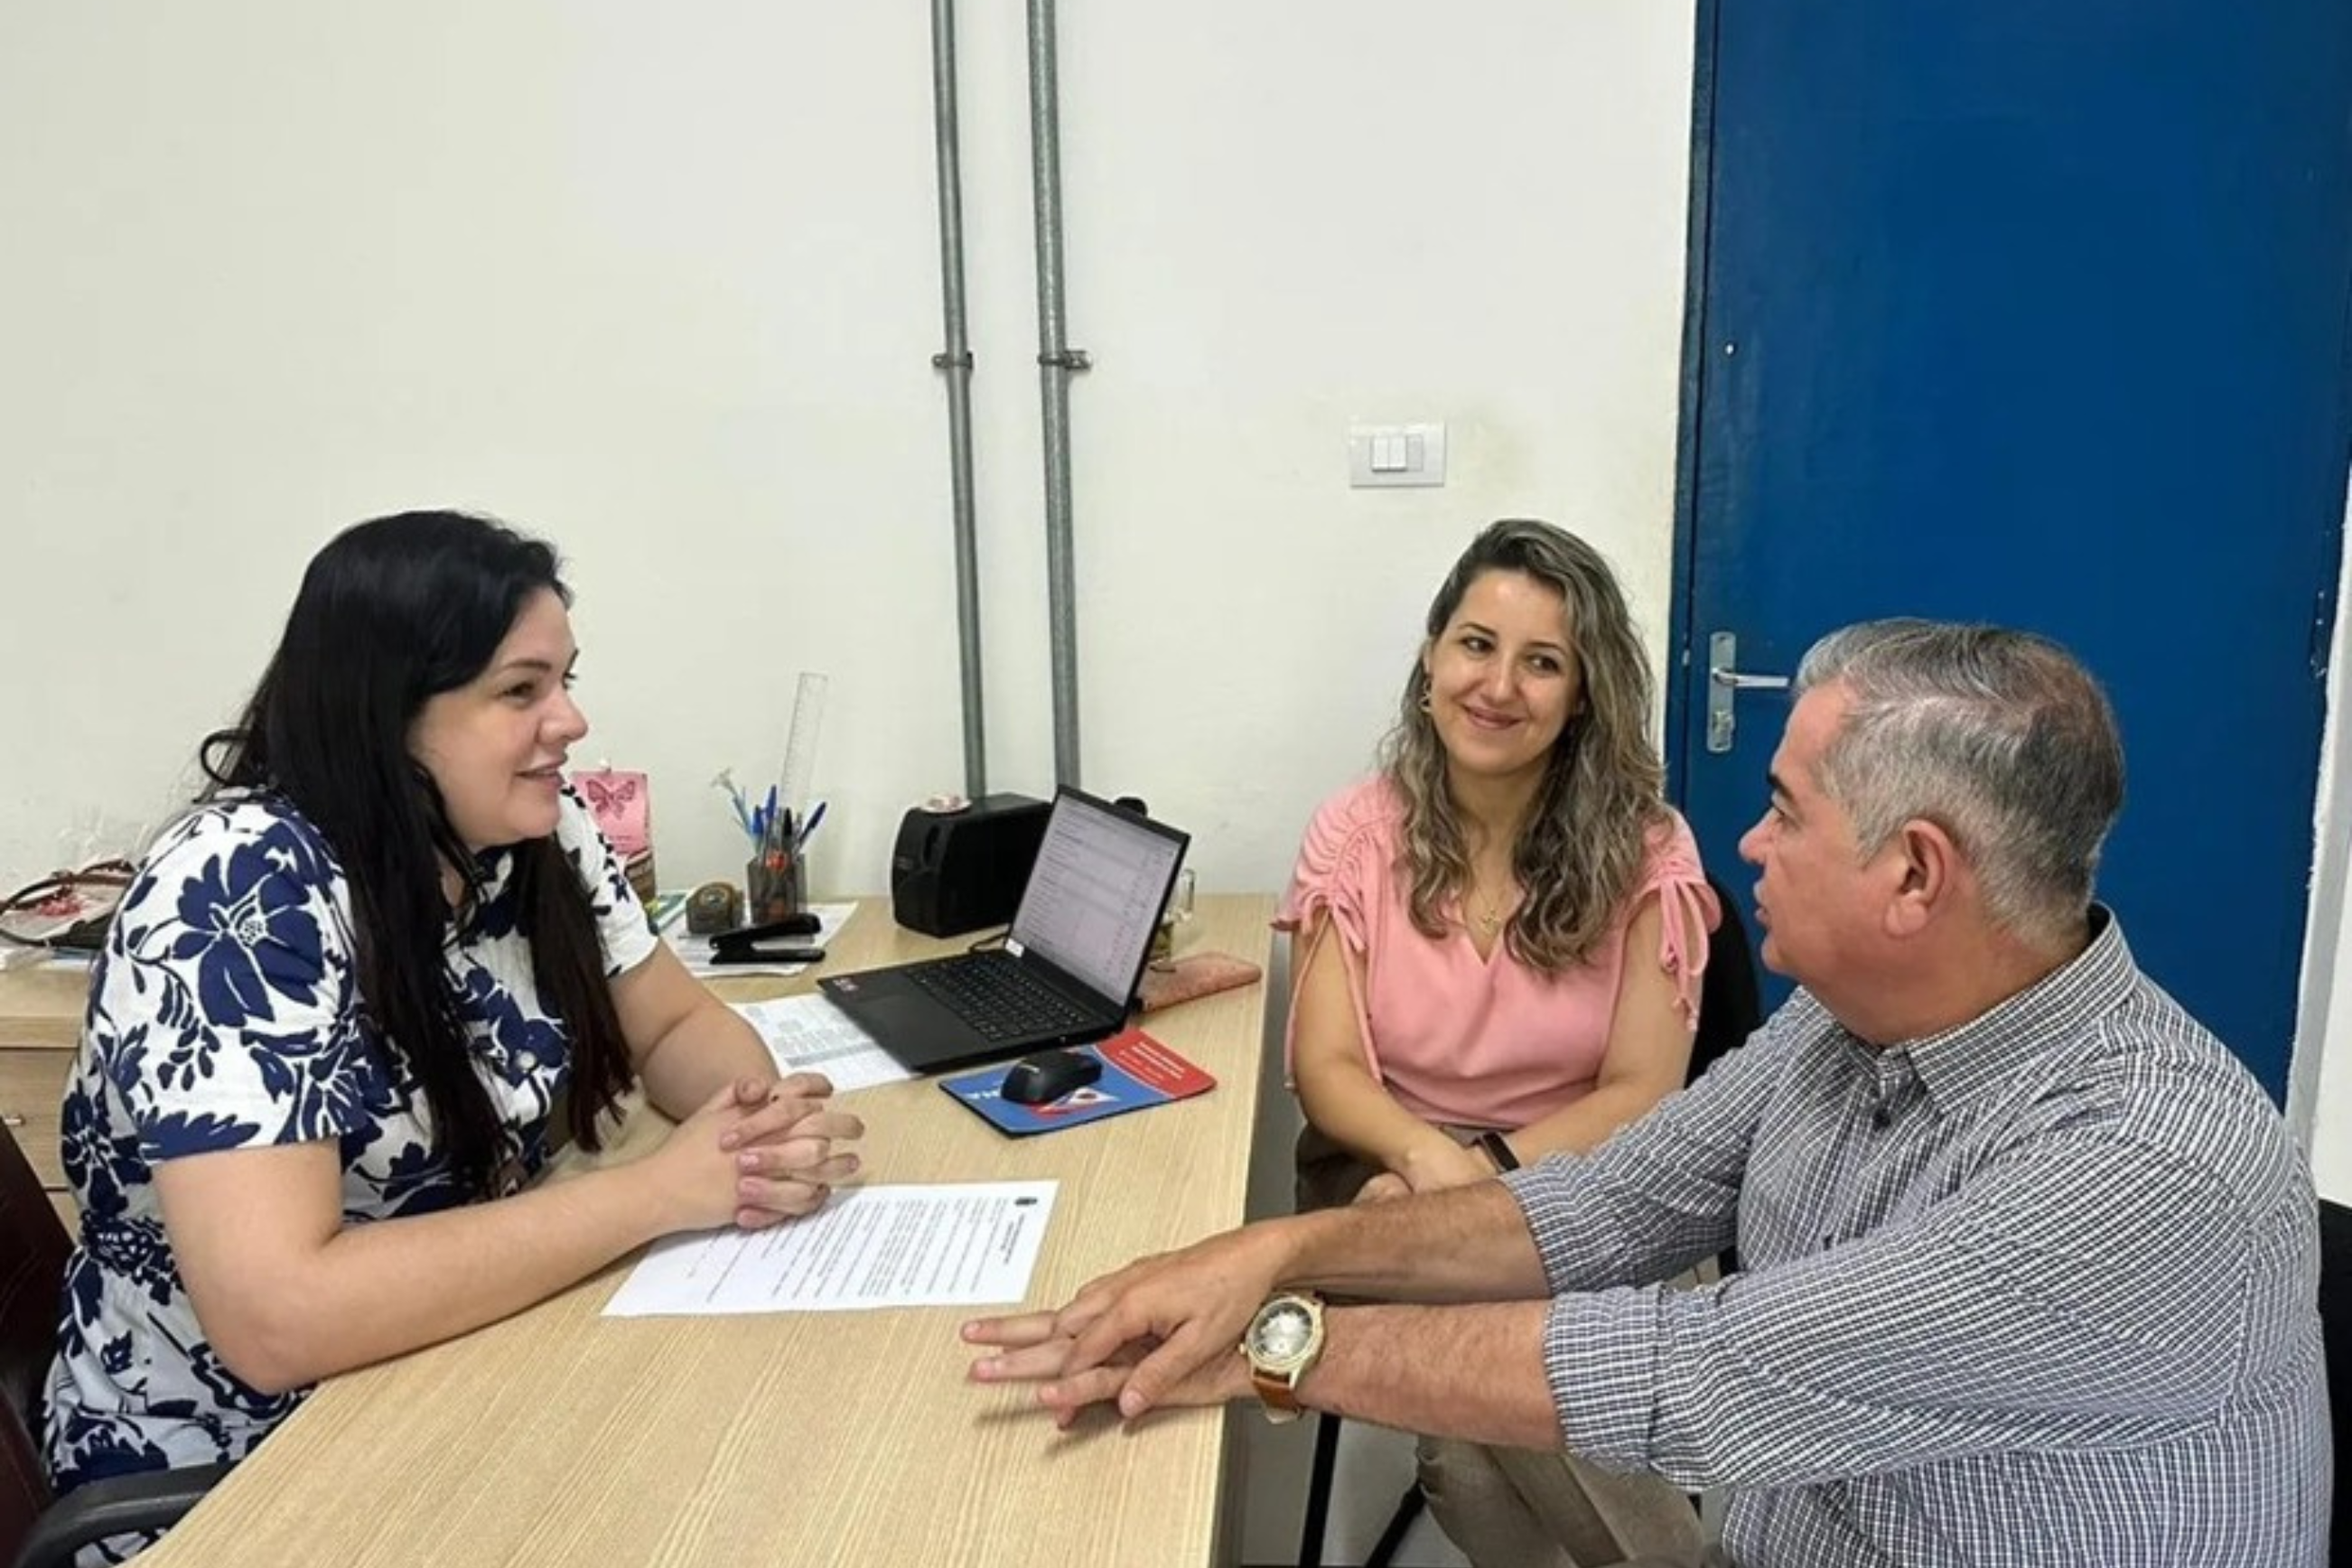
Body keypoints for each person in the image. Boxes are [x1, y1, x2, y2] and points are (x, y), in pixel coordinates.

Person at [966, 620, 2329, 1567]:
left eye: (1788, 812)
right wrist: (1283, 1250)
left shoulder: (2152, 1169)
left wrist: (1277, 1345)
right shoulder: (1850, 1025)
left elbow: (1704, 1370)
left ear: (1916, 877)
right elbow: (1600, 1205)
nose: (1749, 842)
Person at [44, 511, 864, 1559]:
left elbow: (672, 1021)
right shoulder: (243, 891)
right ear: (387, 714)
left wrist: (749, 1127)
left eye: (565, 679)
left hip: (451, 1366)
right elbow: (279, 1317)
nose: (568, 720)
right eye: (520, 691)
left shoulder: (532, 832)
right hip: (241, 1475)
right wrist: (663, 1191)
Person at [1279, 518, 1716, 1560]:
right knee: (1530, 1368)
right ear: (1431, 659)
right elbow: (1327, 1068)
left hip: (1594, 1173)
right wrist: (1432, 1161)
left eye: (1543, 661)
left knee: (1469, 1449)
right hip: (1385, 1162)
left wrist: (1487, 1183)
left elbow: (1644, 1088)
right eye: (1477, 643)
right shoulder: (1355, 831)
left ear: (1581, 697)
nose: (1499, 684)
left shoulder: (1649, 849)